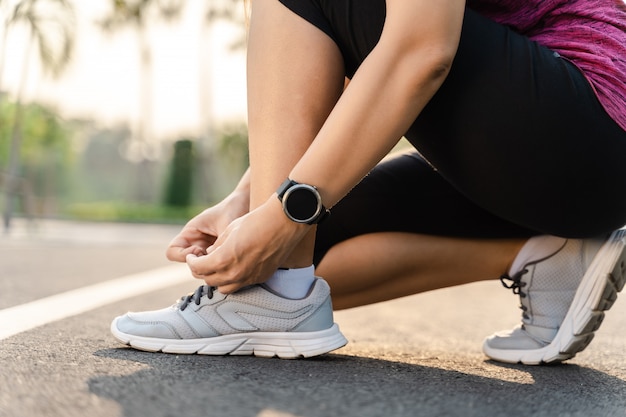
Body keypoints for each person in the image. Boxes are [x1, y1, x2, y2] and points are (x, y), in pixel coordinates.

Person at [110, 0, 626, 364]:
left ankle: (268, 300)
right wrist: (251, 200)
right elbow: (361, 60)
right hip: (560, 157)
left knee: (283, 251)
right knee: (304, 259)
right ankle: (548, 255)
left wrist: (286, 213)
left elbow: (421, 51)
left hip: (592, 125)